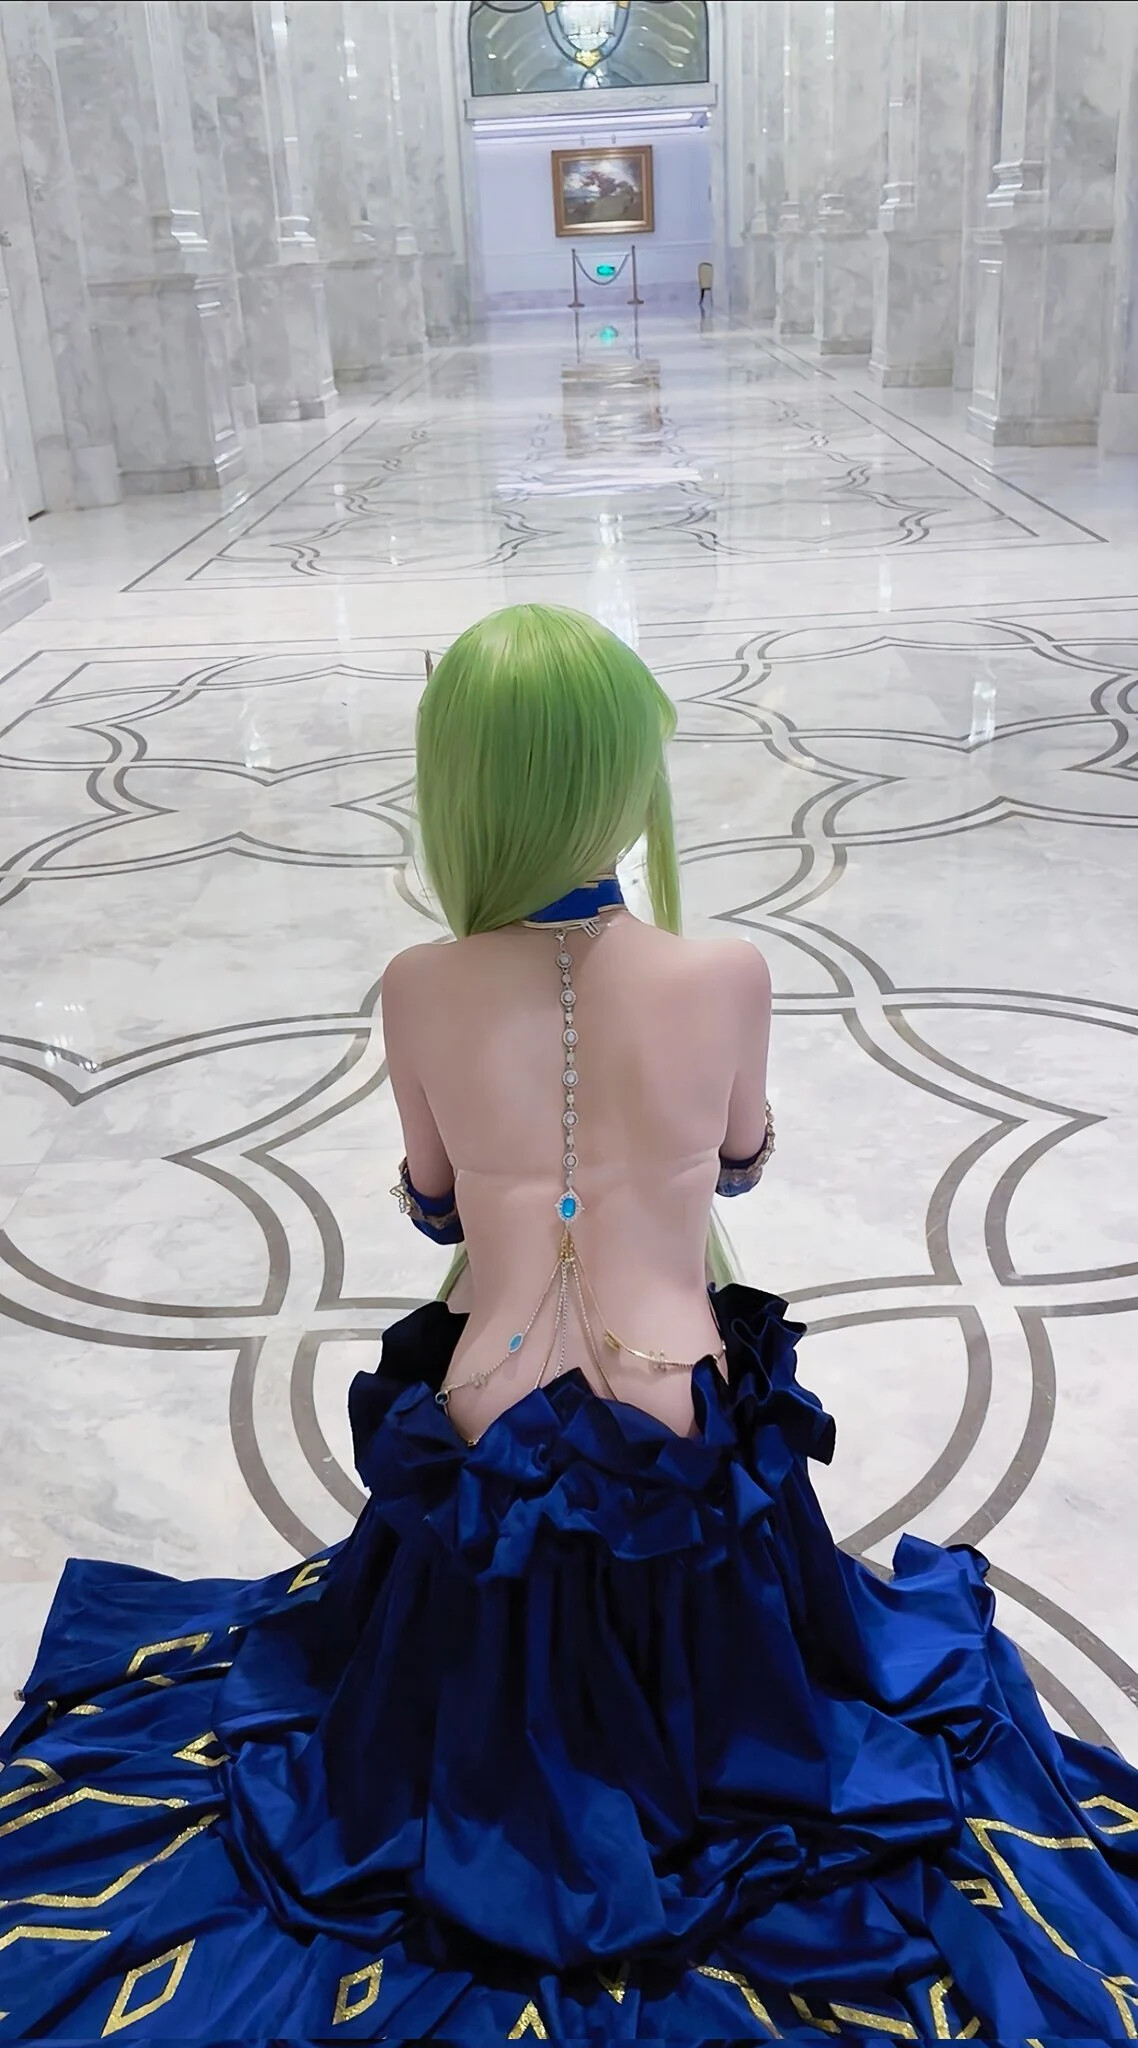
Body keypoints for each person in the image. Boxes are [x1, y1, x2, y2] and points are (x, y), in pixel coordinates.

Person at [1, 604, 1137, 2043]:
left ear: (464, 787)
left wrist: (516, 1172)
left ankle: (510, 1796)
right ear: (620, 775)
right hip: (678, 1407)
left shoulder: (419, 985)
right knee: (808, 1703)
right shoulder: (726, 973)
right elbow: (742, 1159)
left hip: (487, 1413)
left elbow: (431, 1206)